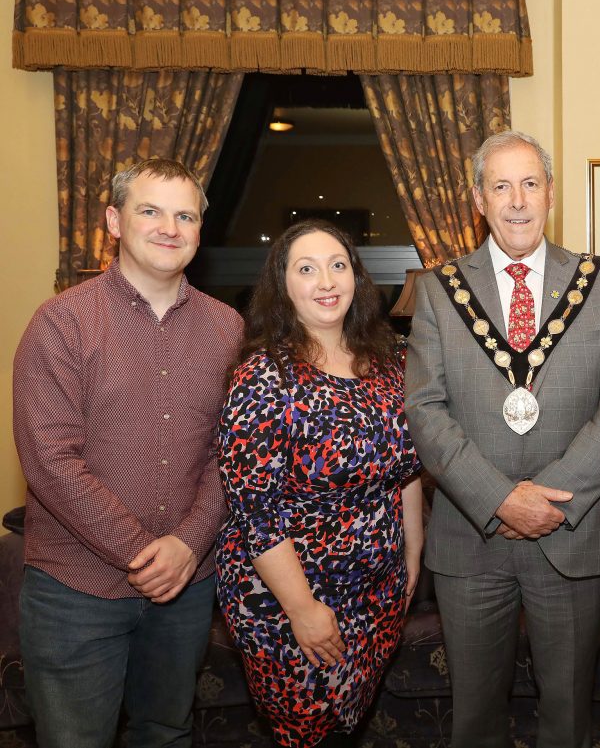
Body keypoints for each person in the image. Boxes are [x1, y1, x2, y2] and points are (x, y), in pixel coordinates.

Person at [405, 130, 600, 748]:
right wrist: (499, 499)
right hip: (469, 539)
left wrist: (547, 498)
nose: (517, 200)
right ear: (478, 199)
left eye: (530, 183)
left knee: (567, 718)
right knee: (475, 719)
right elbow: (425, 411)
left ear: (551, 194)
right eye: (501, 185)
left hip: (572, 532)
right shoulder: (438, 289)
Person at [12, 158, 243, 747]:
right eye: (151, 211)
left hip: (188, 589)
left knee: (167, 734)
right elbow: (49, 460)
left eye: (185, 215)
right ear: (114, 221)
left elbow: (232, 455)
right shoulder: (61, 323)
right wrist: (145, 553)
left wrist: (188, 546)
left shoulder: (228, 330)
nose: (170, 227)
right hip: (75, 592)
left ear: (199, 230)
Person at [216, 219, 423, 748]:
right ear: (283, 286)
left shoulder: (388, 365)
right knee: (308, 735)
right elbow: (255, 514)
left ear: (356, 276)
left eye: (337, 265)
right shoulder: (263, 376)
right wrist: (303, 610)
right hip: (288, 602)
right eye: (306, 269)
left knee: (346, 727)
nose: (326, 281)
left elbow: (407, 473)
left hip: (375, 593)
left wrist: (410, 564)